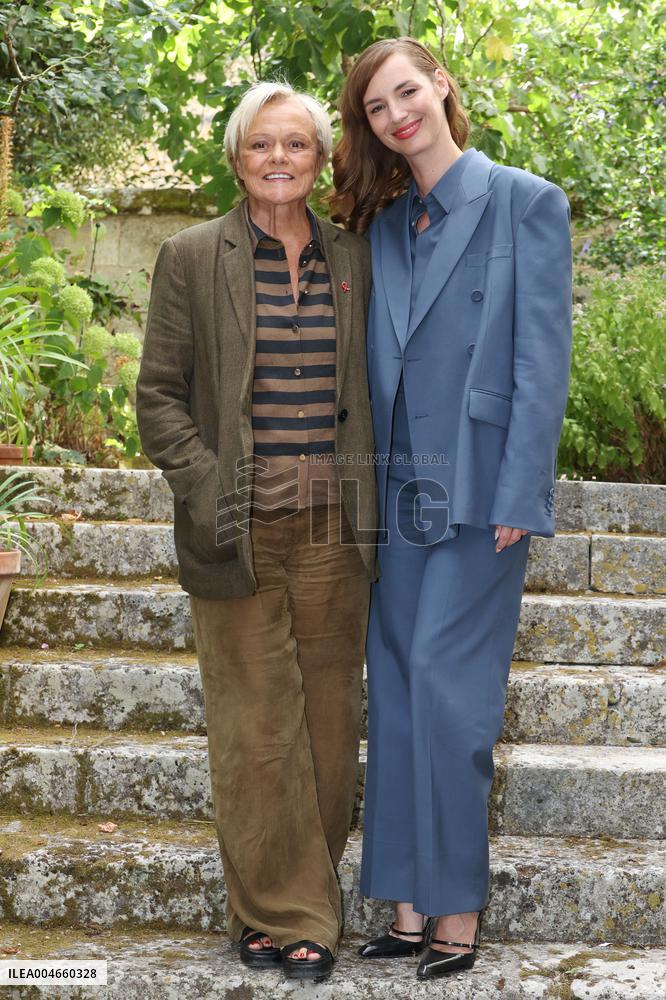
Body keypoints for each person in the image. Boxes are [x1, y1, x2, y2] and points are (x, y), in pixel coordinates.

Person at [331, 37, 572, 980]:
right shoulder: (386, 229)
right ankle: (402, 905)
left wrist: (521, 487)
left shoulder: (525, 201)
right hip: (396, 497)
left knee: (445, 689)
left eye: (406, 93)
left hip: (479, 495)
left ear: (441, 87)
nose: (397, 115)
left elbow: (541, 358)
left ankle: (457, 910)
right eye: (378, 109)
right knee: (392, 689)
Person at [136, 80, 378, 983]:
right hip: (233, 532)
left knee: (326, 726)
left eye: (298, 146)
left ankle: (287, 904)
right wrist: (208, 489)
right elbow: (158, 397)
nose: (279, 161)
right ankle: (290, 916)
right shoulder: (191, 255)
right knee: (254, 731)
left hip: (334, 534)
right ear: (236, 158)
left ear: (321, 159)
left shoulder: (355, 259)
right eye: (261, 146)